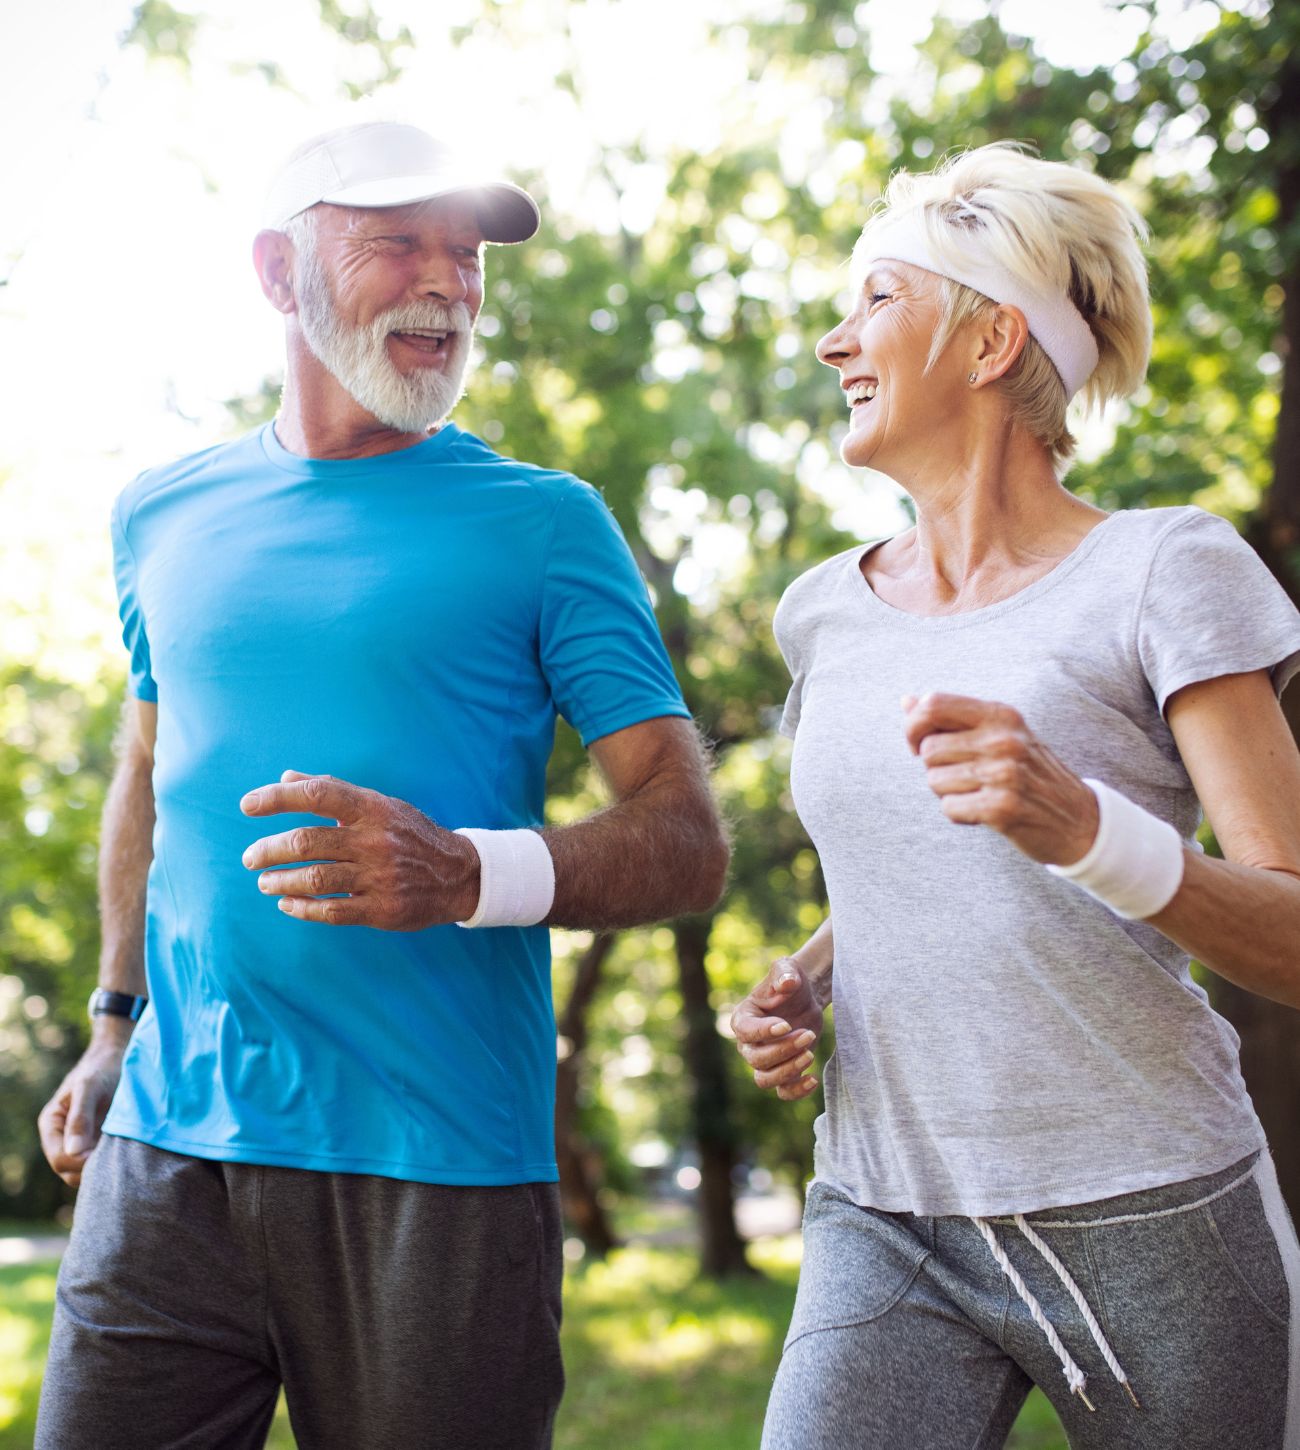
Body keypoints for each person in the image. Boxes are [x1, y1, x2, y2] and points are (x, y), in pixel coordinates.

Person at [35, 121, 729, 1450]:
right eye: (399, 241)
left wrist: (472, 873)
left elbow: (687, 839)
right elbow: (148, 764)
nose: (449, 282)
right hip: (170, 1148)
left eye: (466, 254)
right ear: (277, 270)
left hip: (439, 1165)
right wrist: (115, 1017)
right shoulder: (159, 514)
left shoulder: (546, 522)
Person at [730, 142, 1300, 1449]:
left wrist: (1092, 833)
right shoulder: (820, 610)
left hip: (1151, 1208)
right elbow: (915, 869)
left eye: (876, 298)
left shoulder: (1163, 569)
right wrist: (810, 980)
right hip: (883, 1205)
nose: (832, 341)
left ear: (991, 341)